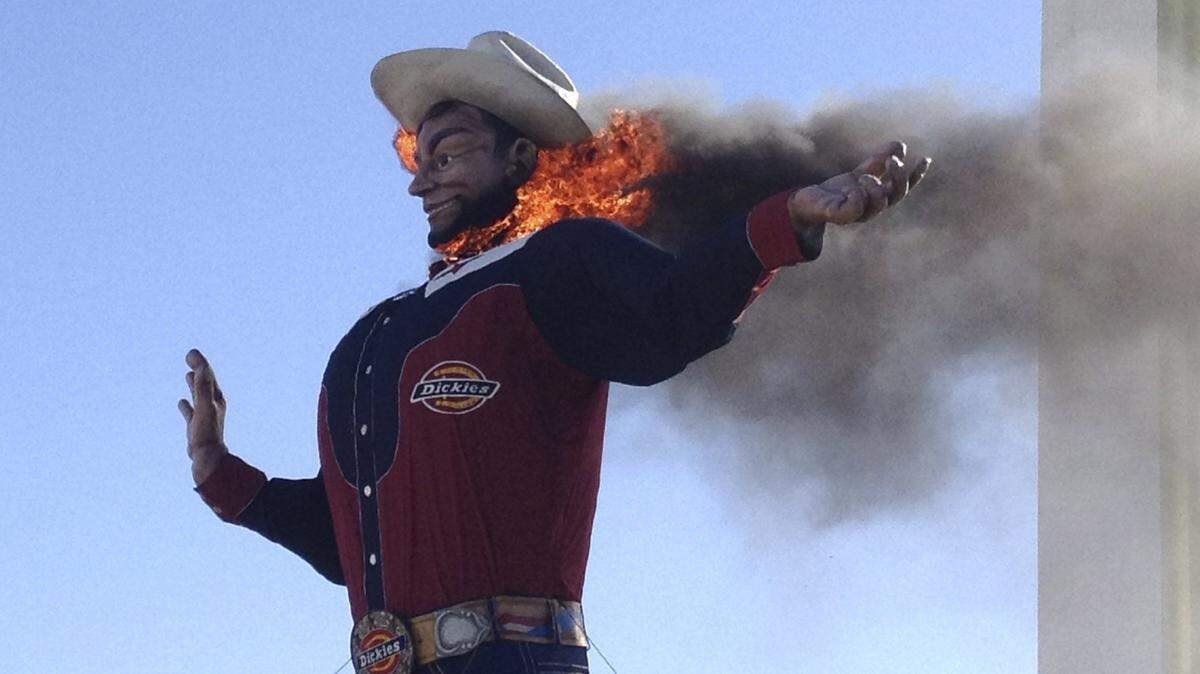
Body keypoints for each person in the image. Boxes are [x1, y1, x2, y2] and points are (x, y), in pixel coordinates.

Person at [177, 31, 930, 674]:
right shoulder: (372, 336)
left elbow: (673, 312)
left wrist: (782, 221)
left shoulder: (555, 262)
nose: (422, 183)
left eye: (450, 154)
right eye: (420, 161)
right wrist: (222, 476)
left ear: (520, 158)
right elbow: (355, 545)